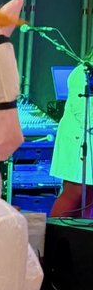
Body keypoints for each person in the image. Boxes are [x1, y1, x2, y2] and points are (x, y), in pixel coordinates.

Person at [49, 63, 90, 218]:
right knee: (75, 192)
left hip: (88, 139)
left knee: (89, 195)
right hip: (78, 141)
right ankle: (55, 232)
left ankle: (80, 231)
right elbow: (83, 113)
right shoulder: (82, 73)